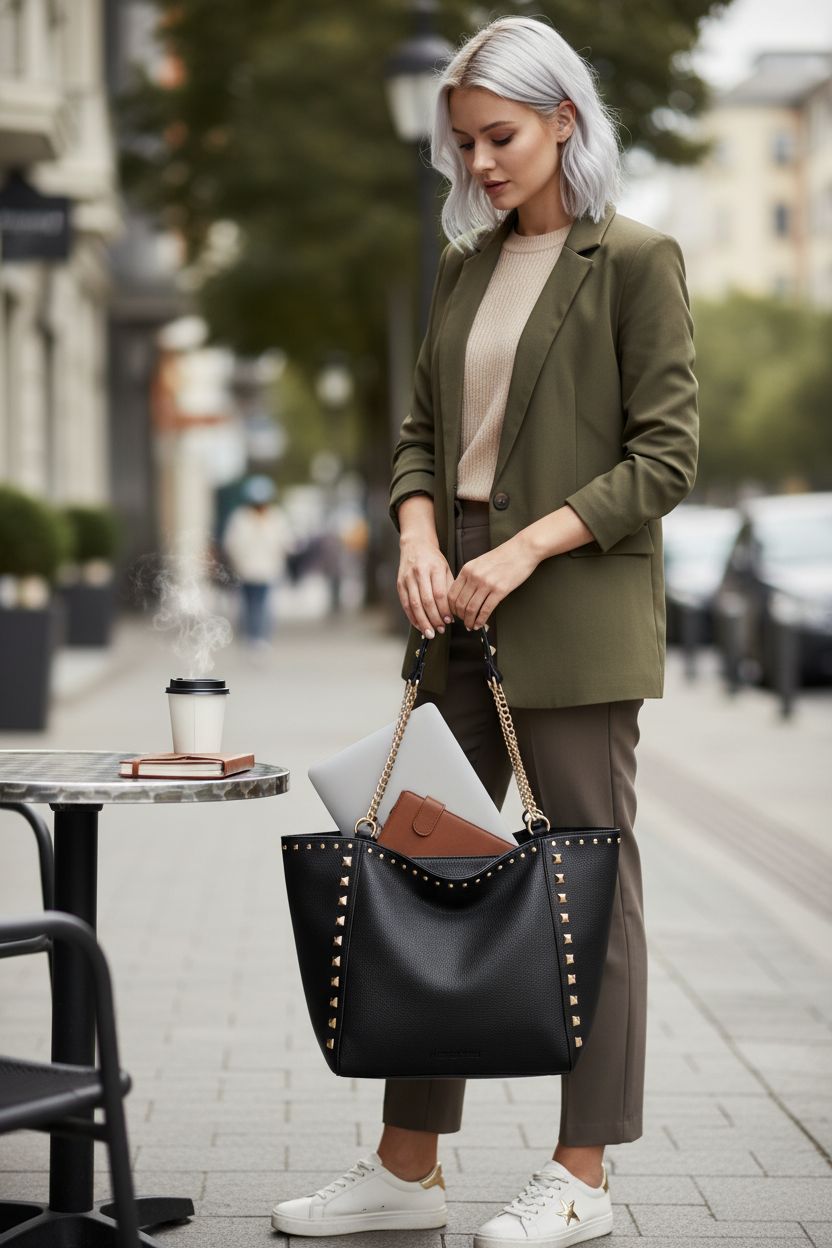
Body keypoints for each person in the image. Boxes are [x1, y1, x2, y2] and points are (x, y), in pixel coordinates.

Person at [272, 14, 698, 1246]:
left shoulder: (635, 259)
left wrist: (519, 546)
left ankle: (580, 1177)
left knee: (587, 888)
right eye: (463, 144)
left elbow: (664, 458)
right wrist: (418, 535)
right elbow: (418, 434)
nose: (480, 164)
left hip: (566, 619)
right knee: (424, 866)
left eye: (499, 137)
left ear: (564, 117)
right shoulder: (463, 269)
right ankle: (407, 1171)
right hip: (450, 614)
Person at [223, 476, 291, 646]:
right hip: (246, 570)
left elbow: (286, 542)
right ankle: (251, 635)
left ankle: (259, 636)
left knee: (261, 604)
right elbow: (232, 543)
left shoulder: (276, 517)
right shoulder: (241, 518)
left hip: (267, 570)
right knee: (248, 604)